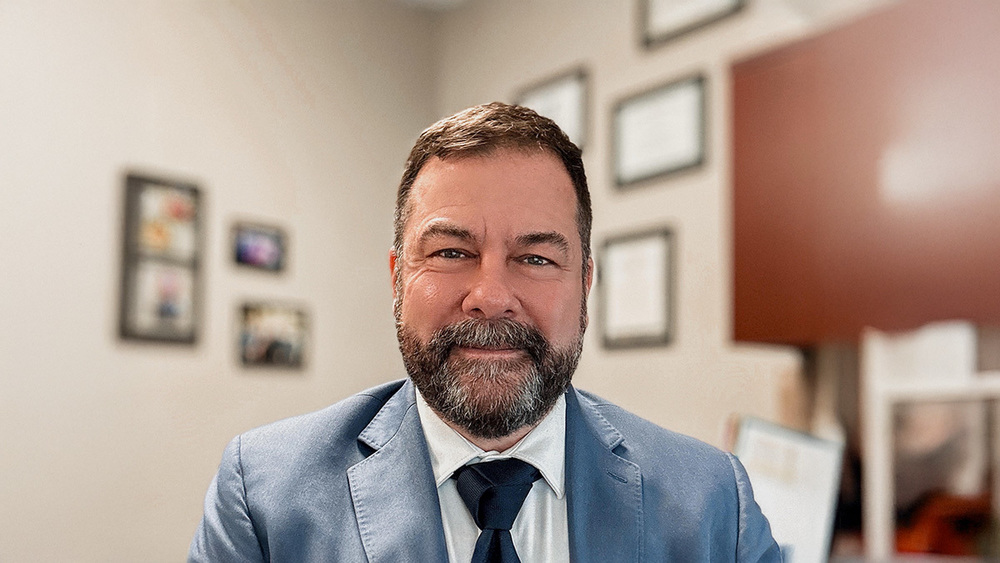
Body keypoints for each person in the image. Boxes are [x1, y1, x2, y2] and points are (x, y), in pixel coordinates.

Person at [189, 102, 781, 562]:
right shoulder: (263, 497)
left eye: (536, 258)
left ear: (585, 286)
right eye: (450, 252)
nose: (491, 296)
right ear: (398, 279)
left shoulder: (713, 505)